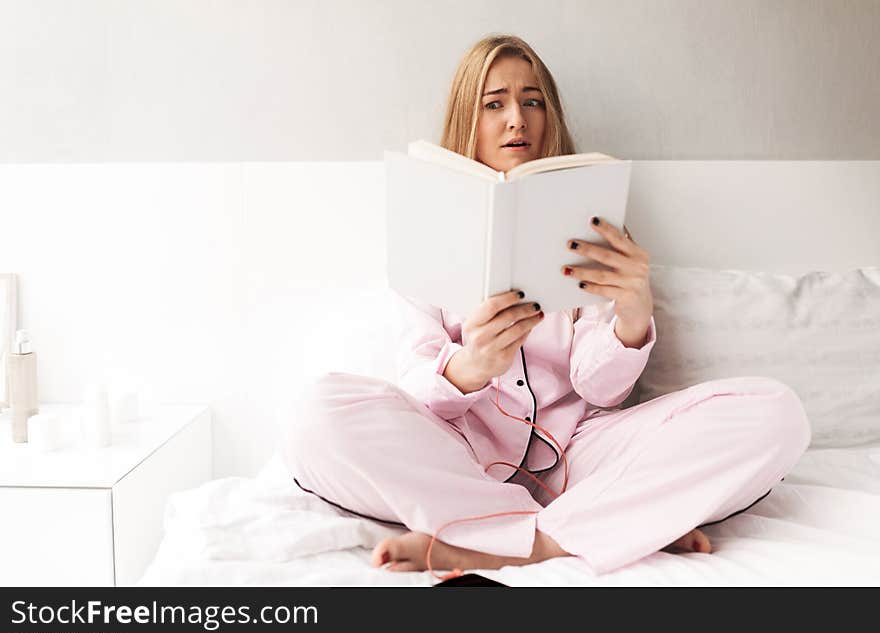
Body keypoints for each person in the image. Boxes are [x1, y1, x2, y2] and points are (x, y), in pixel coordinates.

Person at [281, 34, 810, 576]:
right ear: (469, 118)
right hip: (458, 459)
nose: (517, 119)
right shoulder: (427, 232)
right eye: (495, 103)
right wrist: (469, 368)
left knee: (775, 412)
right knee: (317, 413)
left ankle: (518, 541)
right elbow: (417, 390)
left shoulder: (593, 226)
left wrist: (631, 316)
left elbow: (599, 388)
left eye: (532, 101)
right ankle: (603, 527)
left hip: (581, 455)